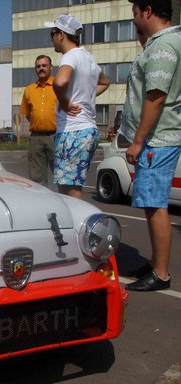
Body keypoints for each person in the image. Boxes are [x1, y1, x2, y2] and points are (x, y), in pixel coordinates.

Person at [121, 0, 181, 291]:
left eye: (134, 13)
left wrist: (137, 140)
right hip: (157, 138)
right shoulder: (163, 43)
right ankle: (157, 263)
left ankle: (160, 273)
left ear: (147, 11)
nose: (134, 20)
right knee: (151, 204)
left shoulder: (162, 47)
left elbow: (155, 97)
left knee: (155, 205)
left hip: (157, 140)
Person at [46, 14, 111, 199]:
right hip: (87, 129)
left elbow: (59, 82)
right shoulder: (88, 57)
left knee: (70, 191)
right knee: (70, 186)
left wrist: (65, 102)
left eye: (52, 34)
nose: (51, 39)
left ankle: (78, 227)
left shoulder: (71, 56)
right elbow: (105, 82)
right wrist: (86, 97)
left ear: (61, 35)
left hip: (73, 131)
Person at [20, 55, 57, 186]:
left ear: (51, 67)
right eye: (38, 66)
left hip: (56, 136)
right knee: (36, 179)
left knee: (61, 175)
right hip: (36, 138)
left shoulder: (59, 86)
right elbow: (28, 114)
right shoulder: (29, 90)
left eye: (44, 66)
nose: (41, 68)